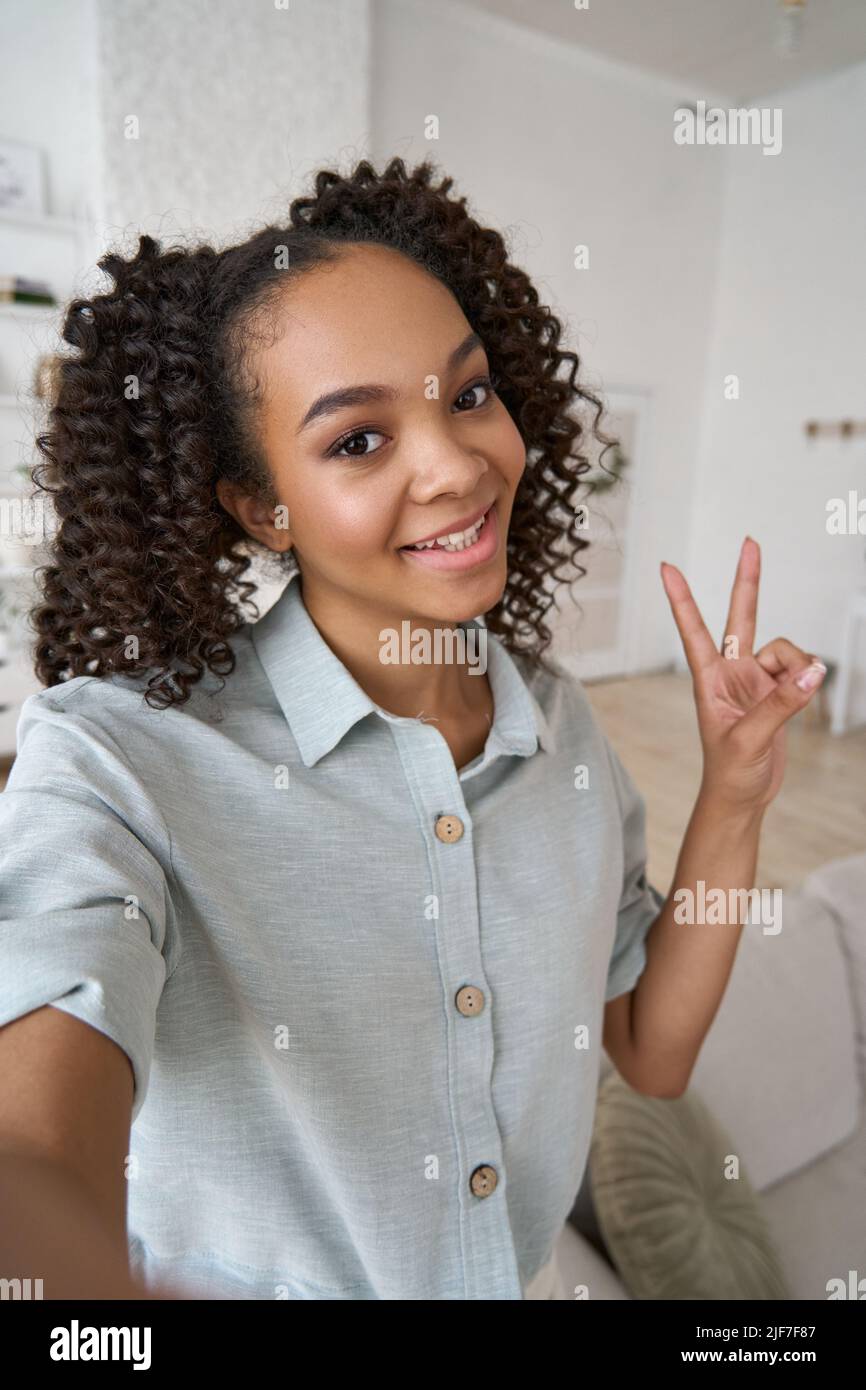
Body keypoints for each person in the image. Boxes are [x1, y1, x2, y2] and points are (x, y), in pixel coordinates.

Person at [0, 156, 826, 1301]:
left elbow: (650, 1049)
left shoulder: (562, 730)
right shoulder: (117, 763)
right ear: (258, 505)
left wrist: (734, 792)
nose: (455, 465)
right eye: (357, 440)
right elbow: (34, 1151)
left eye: (468, 393)